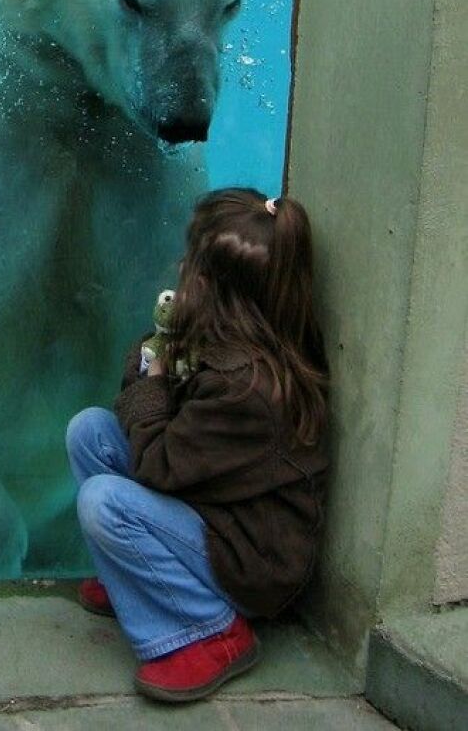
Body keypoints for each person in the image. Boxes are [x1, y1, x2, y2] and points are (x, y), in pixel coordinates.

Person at [65, 187, 329, 703]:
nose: (181, 268)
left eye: (191, 265)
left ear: (212, 290)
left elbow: (157, 466)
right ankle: (137, 584)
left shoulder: (244, 389)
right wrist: (159, 354)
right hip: (215, 512)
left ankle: (212, 631)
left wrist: (155, 375)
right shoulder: (240, 343)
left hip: (252, 564)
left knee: (103, 502)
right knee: (90, 431)